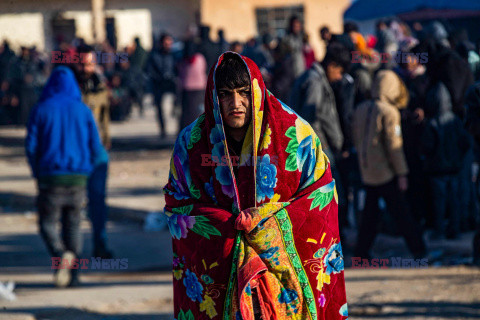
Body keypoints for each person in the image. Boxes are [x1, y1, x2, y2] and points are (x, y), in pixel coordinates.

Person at [163, 52, 348, 319]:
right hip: (220, 272)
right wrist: (225, 224)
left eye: (243, 92)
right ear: (213, 96)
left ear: (258, 91)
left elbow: (322, 193)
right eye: (225, 94)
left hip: (284, 278)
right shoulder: (191, 143)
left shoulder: (295, 133)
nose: (235, 103)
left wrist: (266, 224)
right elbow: (176, 204)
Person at [25, 66, 106, 287]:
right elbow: (95, 146)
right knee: (73, 225)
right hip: (78, 178)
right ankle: (75, 275)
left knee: (47, 224)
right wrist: (89, 170)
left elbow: (31, 146)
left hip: (50, 178)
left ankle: (60, 256)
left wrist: (37, 172)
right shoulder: (83, 110)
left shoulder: (41, 110)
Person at [352, 70, 426, 259]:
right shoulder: (389, 112)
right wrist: (402, 173)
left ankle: (361, 253)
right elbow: (395, 146)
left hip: (367, 170)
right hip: (386, 172)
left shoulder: (361, 109)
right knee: (402, 213)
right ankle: (418, 249)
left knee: (370, 215)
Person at [420, 83, 471, 240]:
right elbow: (465, 142)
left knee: (439, 203)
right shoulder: (455, 120)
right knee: (454, 200)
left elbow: (427, 146)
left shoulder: (433, 123)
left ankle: (440, 230)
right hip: (454, 168)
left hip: (438, 169)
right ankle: (454, 230)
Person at [76, 49, 113, 258]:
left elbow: (105, 117)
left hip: (97, 152)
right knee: (72, 202)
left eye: (89, 64)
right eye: (82, 64)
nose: (86, 69)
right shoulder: (71, 88)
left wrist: (106, 141)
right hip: (76, 152)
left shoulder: (100, 87)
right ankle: (70, 249)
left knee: (98, 200)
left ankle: (101, 243)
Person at [145, 33, 177, 138]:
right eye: (166, 42)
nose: (168, 45)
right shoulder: (154, 55)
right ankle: (163, 130)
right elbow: (148, 70)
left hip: (171, 84)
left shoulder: (174, 55)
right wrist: (158, 77)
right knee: (160, 109)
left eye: (170, 42)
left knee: (176, 107)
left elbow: (177, 69)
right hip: (158, 85)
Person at [178, 40, 207, 130]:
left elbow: (180, 74)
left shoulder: (182, 60)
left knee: (186, 113)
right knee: (198, 111)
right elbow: (203, 70)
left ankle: (185, 131)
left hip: (186, 88)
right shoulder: (200, 58)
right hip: (199, 87)